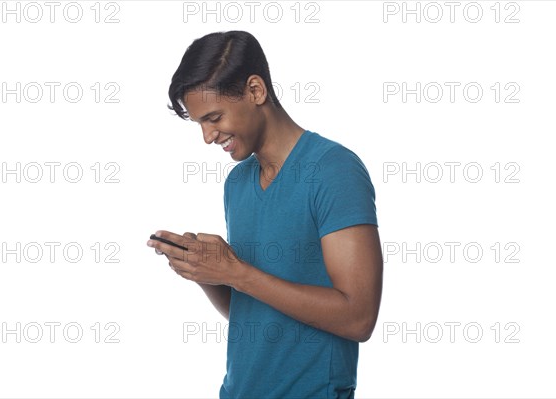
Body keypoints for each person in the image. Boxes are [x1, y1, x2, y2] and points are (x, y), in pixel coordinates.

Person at [147, 30, 384, 399]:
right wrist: (206, 273)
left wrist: (236, 272)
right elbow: (254, 313)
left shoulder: (333, 170)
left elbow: (359, 318)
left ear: (256, 91)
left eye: (213, 117)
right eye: (199, 124)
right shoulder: (237, 183)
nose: (207, 137)